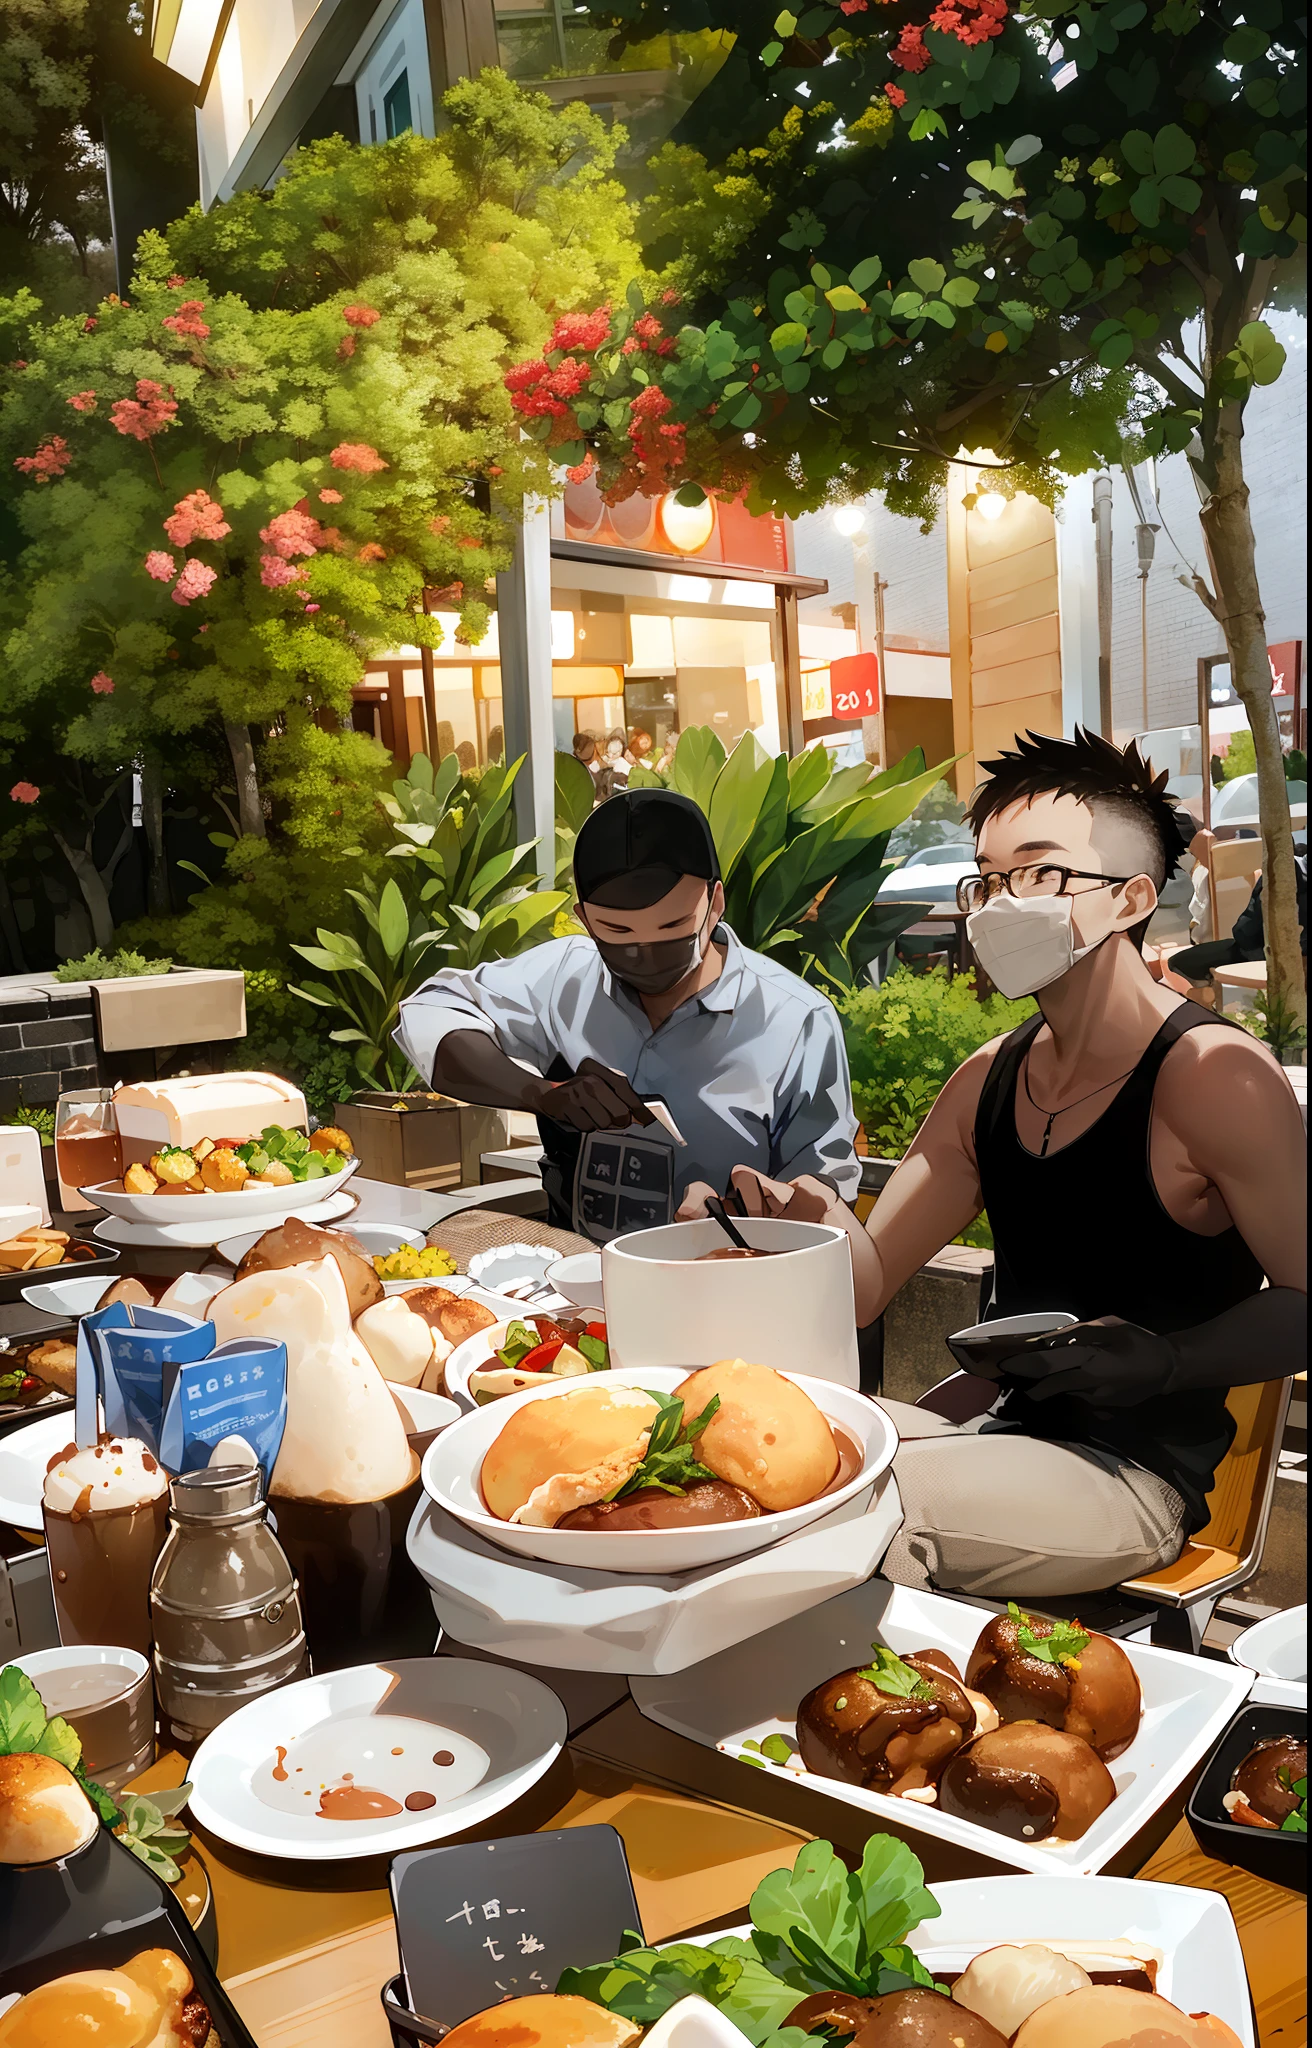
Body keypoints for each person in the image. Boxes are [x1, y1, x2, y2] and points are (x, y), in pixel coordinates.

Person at [689, 728, 1307, 1598]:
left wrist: (1163, 1361)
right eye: (988, 876)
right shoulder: (988, 1078)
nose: (1001, 903)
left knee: (845, 1508)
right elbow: (867, 1284)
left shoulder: (1214, 1077)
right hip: (999, 1432)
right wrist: (807, 1226)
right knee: (738, 1451)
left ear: (1132, 899)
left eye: (1042, 873)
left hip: (1134, 1475)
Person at [395, 787, 860, 1242]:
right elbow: (430, 1013)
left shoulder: (796, 1020)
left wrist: (746, 1213)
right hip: (575, 1282)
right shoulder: (564, 977)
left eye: (674, 926)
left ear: (714, 903)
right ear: (583, 917)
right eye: (617, 931)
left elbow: (825, 1199)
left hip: (728, 1284)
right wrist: (538, 1092)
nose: (645, 951)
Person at [1168, 848, 1307, 988]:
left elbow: (1246, 931)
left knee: (1177, 963)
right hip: (1290, 960)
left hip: (1262, 957)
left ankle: (1209, 1003)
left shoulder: (1284, 870)